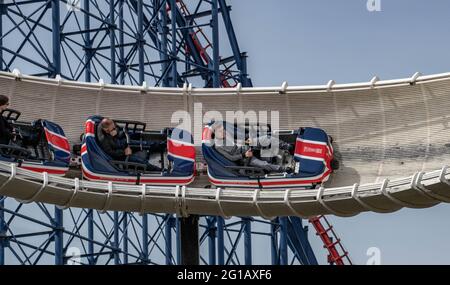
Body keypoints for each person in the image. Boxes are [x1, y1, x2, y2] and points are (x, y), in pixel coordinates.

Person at [213, 123, 291, 173]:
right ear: (215, 133)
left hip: (246, 146)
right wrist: (245, 155)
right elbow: (231, 158)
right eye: (220, 131)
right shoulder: (218, 146)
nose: (223, 132)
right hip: (243, 158)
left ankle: (287, 146)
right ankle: (284, 169)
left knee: (266, 138)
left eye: (223, 130)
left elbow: (236, 142)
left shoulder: (225, 135)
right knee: (263, 164)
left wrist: (245, 141)